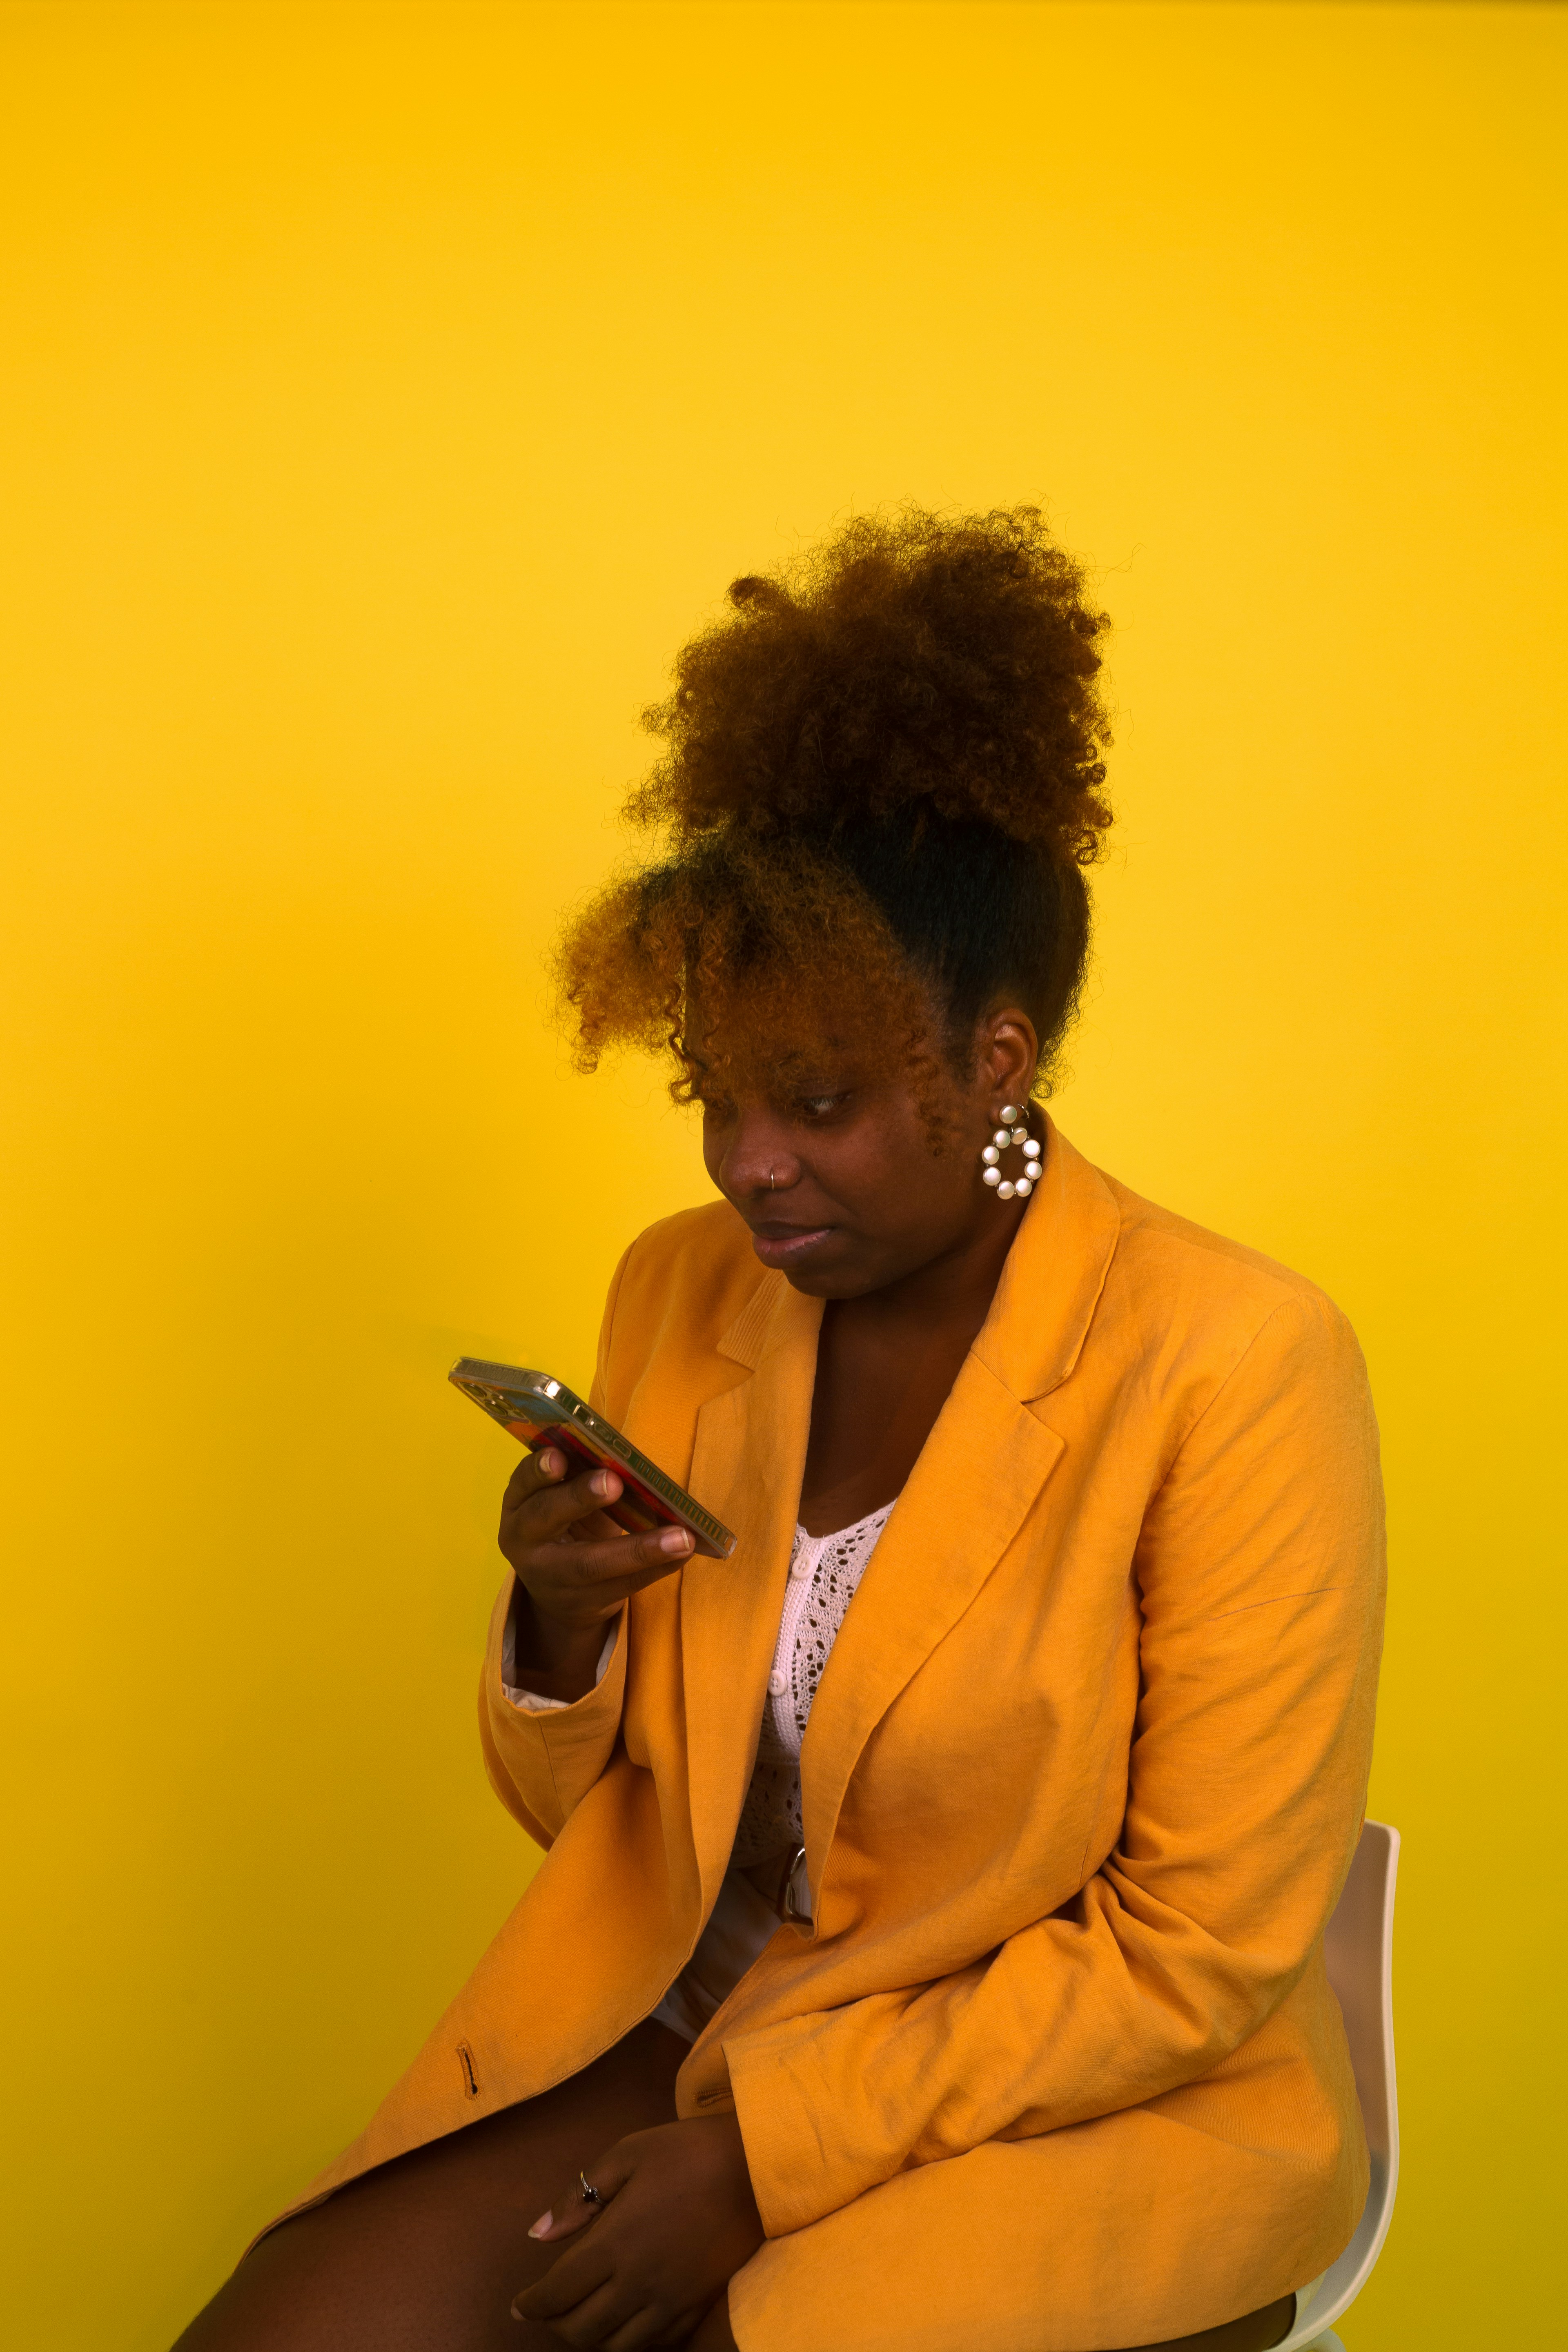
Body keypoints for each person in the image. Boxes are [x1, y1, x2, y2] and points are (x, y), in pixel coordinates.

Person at [176, 507, 1385, 2352]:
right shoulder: (681, 1291)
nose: (751, 1164)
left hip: (1090, 2108)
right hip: (708, 2025)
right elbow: (612, 1840)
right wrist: (562, 1625)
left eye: (816, 1104)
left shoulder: (1236, 1361)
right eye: (718, 1095)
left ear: (996, 1059)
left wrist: (765, 2159)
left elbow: (1194, 1956)